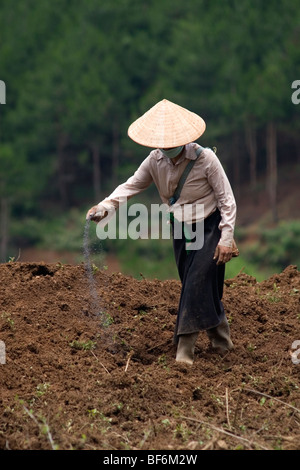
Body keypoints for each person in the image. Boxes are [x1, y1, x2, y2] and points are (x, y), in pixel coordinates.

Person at [86, 99, 237, 365]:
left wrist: (226, 237)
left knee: (195, 284)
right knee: (199, 284)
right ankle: (222, 342)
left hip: (210, 226)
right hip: (180, 229)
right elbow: (131, 186)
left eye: (172, 142)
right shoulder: (155, 160)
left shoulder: (206, 159)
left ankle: (184, 352)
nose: (167, 147)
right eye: (163, 143)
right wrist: (105, 206)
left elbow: (227, 200)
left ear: (186, 139)